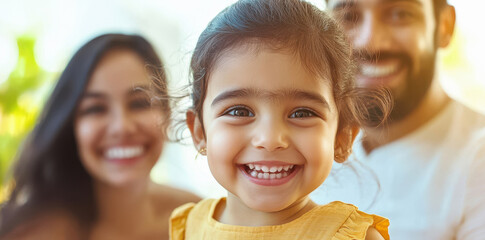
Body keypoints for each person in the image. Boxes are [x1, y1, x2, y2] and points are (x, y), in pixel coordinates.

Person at [168, 0, 392, 239]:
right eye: (239, 112)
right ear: (199, 132)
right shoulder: (189, 227)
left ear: (342, 137)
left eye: (302, 113)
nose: (270, 139)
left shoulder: (351, 236)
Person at [311, 0, 485, 239]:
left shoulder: (477, 160)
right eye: (349, 16)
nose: (370, 42)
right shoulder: (298, 145)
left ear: (444, 26)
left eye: (400, 14)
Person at [0, 34, 200, 240]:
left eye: (139, 103)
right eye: (95, 108)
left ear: (166, 112)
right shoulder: (28, 233)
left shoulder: (199, 219)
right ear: (72, 126)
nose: (121, 126)